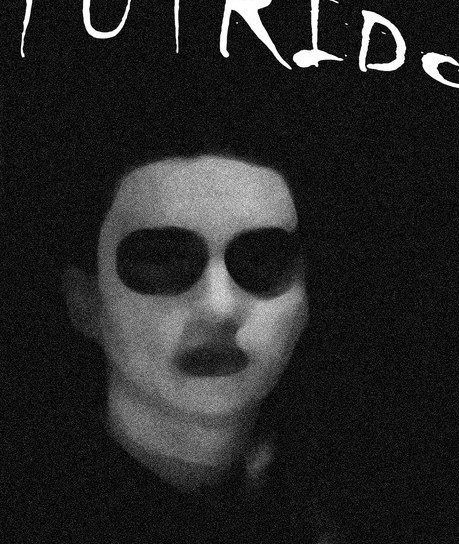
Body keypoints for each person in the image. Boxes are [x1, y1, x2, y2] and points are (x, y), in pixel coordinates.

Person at [10, 114, 344, 543]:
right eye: (163, 260)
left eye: (261, 260)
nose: (219, 308)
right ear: (86, 302)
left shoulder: (340, 512)